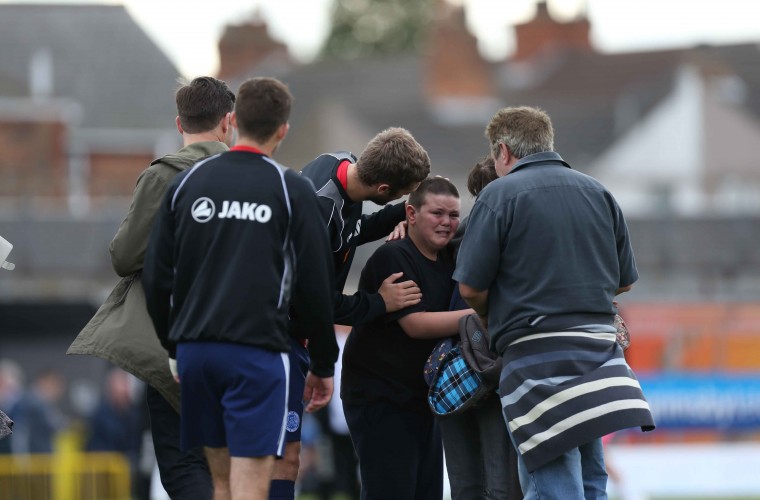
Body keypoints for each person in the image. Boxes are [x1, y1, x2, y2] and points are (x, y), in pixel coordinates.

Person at [142, 76, 337, 500]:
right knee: (251, 484)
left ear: (232, 121)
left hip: (196, 353)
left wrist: (173, 346)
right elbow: (315, 287)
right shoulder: (291, 189)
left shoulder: (186, 183)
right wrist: (323, 362)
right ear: (283, 130)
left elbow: (157, 277)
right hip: (256, 352)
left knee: (221, 484)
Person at [454, 106, 655, 499]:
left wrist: (493, 314)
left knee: (553, 485)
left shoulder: (499, 194)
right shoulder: (598, 192)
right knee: (592, 480)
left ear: (504, 151)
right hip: (599, 354)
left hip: (535, 359)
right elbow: (624, 282)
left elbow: (470, 289)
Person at [68, 76, 235, 499]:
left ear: (180, 123)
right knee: (240, 464)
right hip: (248, 340)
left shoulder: (165, 176)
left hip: (179, 341)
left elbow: (125, 256)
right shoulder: (265, 180)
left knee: (184, 466)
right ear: (228, 122)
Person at [272, 127, 431, 500]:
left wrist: (406, 215)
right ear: (382, 190)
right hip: (280, 338)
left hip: (288, 336)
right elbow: (318, 302)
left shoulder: (340, 164)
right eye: (402, 195)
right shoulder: (320, 211)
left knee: (283, 457)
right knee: (278, 458)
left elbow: (354, 230)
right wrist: (380, 302)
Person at [341, 177, 474, 500]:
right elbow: (416, 324)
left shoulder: (450, 257)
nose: (446, 223)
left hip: (422, 398)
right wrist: (481, 319)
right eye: (437, 213)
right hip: (379, 396)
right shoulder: (394, 257)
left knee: (425, 491)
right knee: (391, 490)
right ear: (411, 214)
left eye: (453, 215)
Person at [445, 157, 522, 500]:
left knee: (466, 485)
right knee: (504, 484)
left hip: (453, 372)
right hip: (498, 367)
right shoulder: (512, 237)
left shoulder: (449, 238)